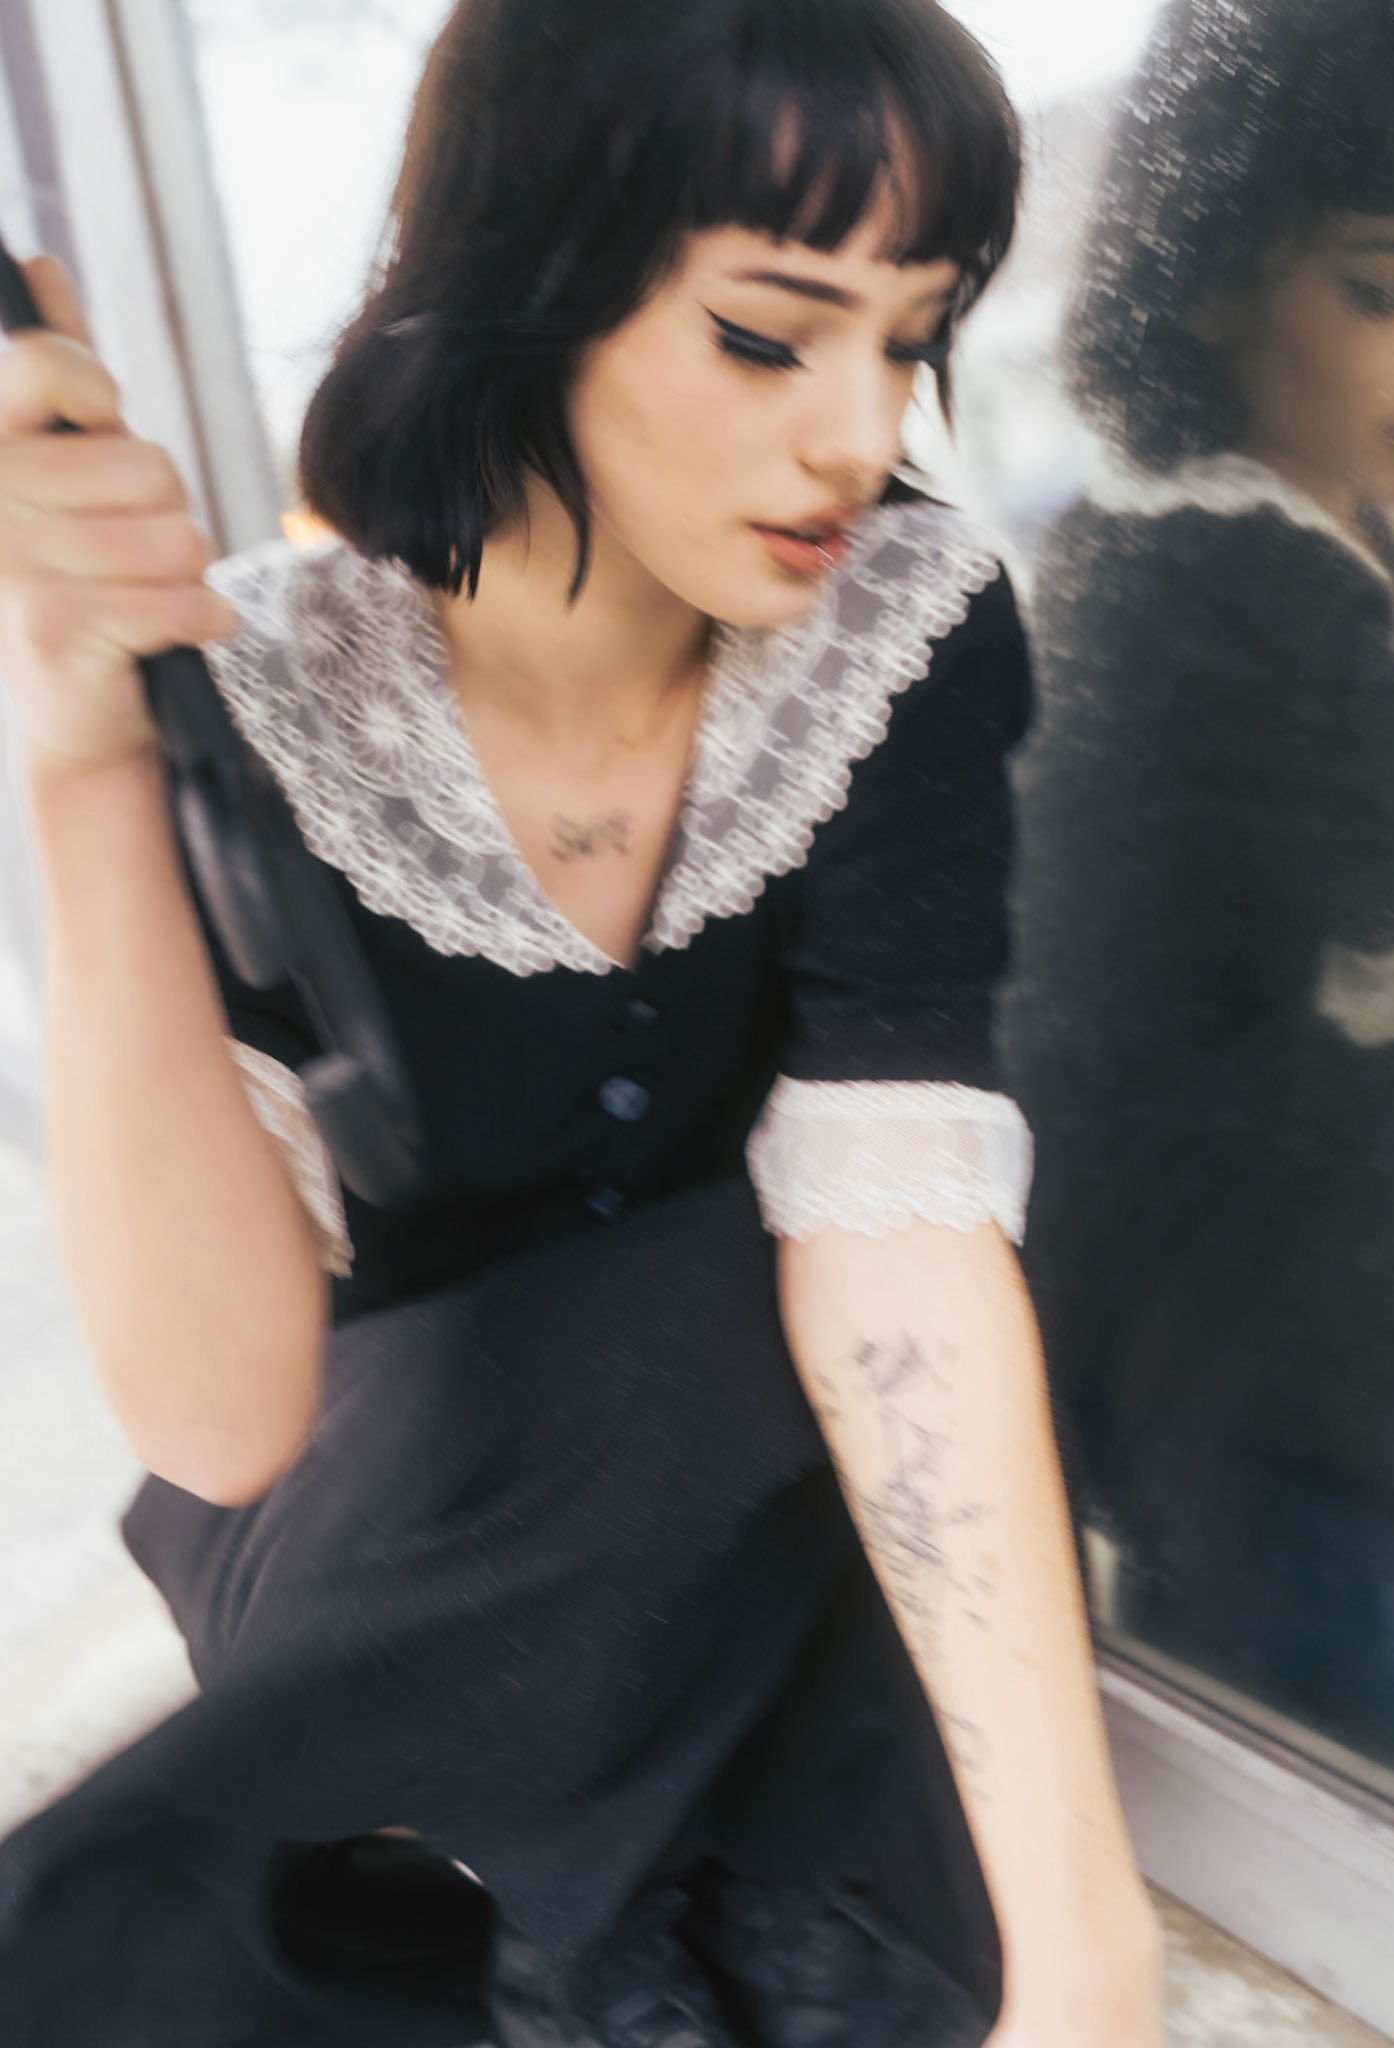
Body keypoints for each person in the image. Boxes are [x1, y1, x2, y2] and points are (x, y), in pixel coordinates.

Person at [0, 2, 1164, 2042]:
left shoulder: (893, 628)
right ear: (527, 278)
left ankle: (644, 1877)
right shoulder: (262, 694)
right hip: (400, 1545)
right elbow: (222, 1422)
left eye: (909, 339)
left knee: (856, 1260)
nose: (859, 432)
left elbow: (899, 1256)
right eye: (768, 334)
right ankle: (541, 1890)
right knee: (733, 1277)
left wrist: (1092, 1947)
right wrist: (86, 764)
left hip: (758, 1528)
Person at [1008, 0, 1394, 1778]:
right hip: (1184, 1296)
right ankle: (1227, 1547)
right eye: (1389, 291)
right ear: (1209, 280)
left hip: (1354, 1249)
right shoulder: (1196, 576)